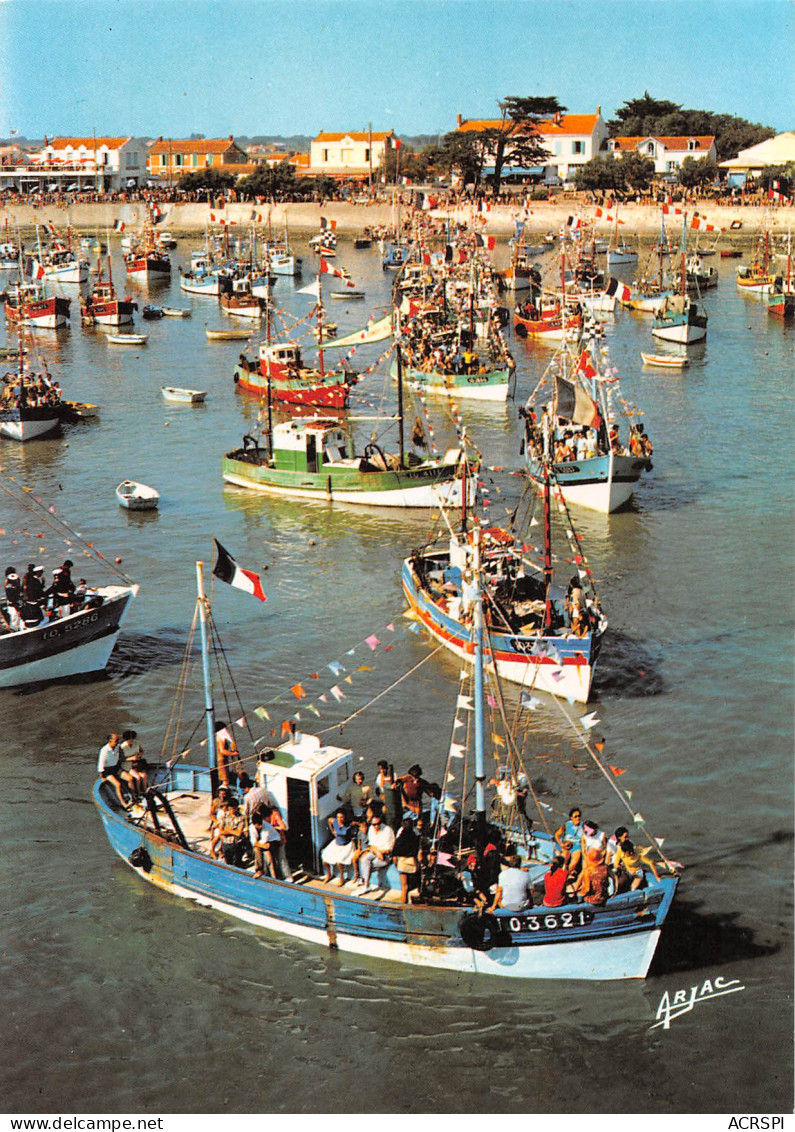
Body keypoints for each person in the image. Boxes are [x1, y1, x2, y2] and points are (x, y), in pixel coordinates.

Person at [354, 813, 395, 893]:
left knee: (368, 866)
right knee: (365, 860)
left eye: (378, 824)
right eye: (374, 824)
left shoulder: (387, 830)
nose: (376, 826)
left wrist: (378, 852)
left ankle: (364, 880)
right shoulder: (371, 829)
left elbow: (388, 850)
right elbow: (372, 845)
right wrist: (377, 852)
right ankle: (366, 885)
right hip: (376, 852)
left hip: (385, 855)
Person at [321, 809, 356, 885]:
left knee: (339, 862)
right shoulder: (335, 821)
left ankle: (341, 878)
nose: (340, 819)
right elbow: (329, 820)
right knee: (324, 860)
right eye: (338, 817)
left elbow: (357, 824)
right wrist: (332, 830)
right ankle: (329, 874)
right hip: (336, 843)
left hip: (346, 845)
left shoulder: (348, 825)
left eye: (342, 817)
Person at [97, 732, 131, 810]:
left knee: (130, 778)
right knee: (118, 785)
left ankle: (133, 797)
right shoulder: (104, 751)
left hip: (116, 768)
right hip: (108, 771)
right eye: (116, 741)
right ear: (110, 741)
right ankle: (124, 804)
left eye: (118, 740)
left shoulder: (117, 747)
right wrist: (102, 777)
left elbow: (121, 757)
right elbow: (100, 766)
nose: (117, 742)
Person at [392, 818, 420, 903]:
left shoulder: (400, 838)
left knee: (404, 888)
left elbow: (395, 854)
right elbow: (417, 852)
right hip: (412, 863)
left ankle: (403, 906)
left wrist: (396, 865)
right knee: (415, 885)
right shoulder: (415, 838)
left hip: (402, 863)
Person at [217, 798, 247, 867]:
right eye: (230, 808)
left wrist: (228, 830)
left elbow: (239, 833)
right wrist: (233, 830)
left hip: (237, 844)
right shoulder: (224, 816)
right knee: (228, 863)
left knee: (237, 863)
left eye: (234, 808)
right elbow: (221, 831)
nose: (232, 810)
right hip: (226, 843)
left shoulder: (241, 817)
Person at [120, 729, 149, 800]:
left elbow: (141, 751)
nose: (131, 741)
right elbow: (121, 759)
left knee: (144, 775)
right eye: (129, 740)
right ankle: (138, 793)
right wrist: (131, 758)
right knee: (137, 777)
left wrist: (138, 755)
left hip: (136, 764)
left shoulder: (137, 743)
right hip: (127, 766)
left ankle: (145, 791)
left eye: (132, 739)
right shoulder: (122, 747)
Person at [555, 807, 584, 873]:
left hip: (577, 846)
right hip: (567, 845)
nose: (578, 818)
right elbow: (557, 834)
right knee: (565, 857)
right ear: (571, 817)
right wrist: (561, 844)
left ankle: (568, 872)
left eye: (579, 816)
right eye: (575, 816)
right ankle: (563, 869)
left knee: (576, 858)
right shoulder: (567, 824)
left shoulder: (583, 826)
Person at [215, 721, 244, 787]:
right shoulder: (221, 738)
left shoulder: (218, 736)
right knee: (225, 780)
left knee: (226, 777)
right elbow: (222, 751)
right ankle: (225, 790)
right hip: (222, 761)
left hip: (223, 760)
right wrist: (234, 754)